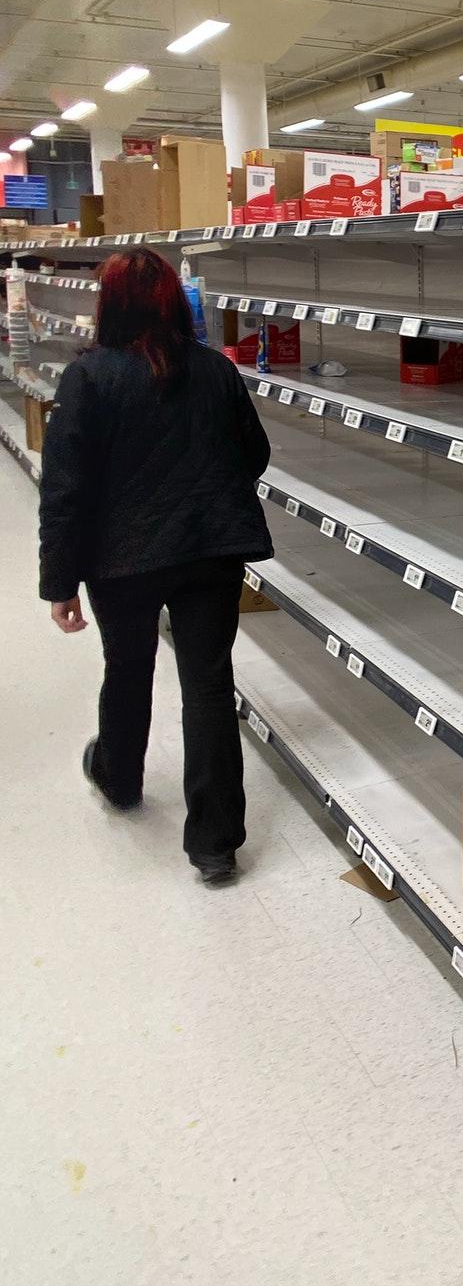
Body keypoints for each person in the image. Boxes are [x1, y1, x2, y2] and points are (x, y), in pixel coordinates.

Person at [38, 248, 273, 885]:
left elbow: (65, 490)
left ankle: (118, 779)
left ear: (108, 305)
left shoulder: (88, 379)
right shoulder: (216, 371)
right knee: (207, 685)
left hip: (124, 557)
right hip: (210, 551)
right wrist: (205, 498)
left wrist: (60, 583)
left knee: (129, 667)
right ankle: (216, 844)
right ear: (174, 302)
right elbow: (254, 453)